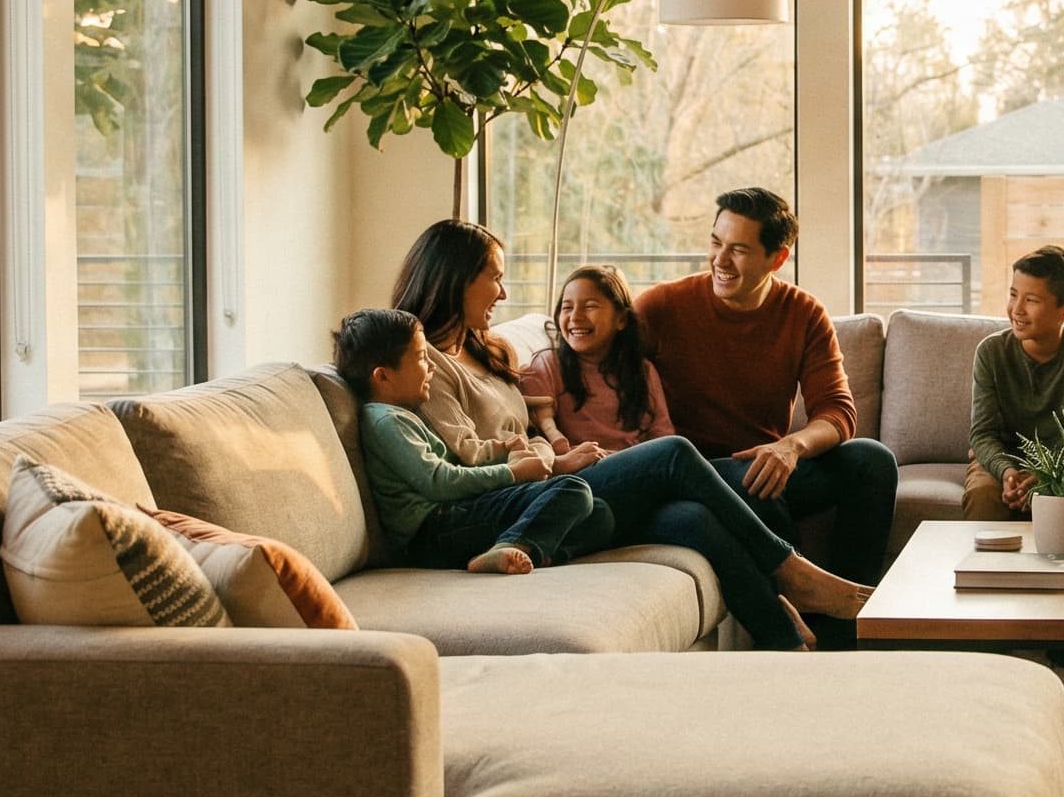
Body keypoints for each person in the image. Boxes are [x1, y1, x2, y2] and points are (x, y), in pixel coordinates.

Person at [522, 264, 872, 649]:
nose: (575, 317)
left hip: (643, 494)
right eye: (566, 307)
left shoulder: (641, 372)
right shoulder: (547, 366)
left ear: (623, 319)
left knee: (698, 518)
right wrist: (562, 450)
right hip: (588, 491)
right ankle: (788, 569)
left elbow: (660, 434)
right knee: (677, 453)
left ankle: (786, 643)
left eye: (590, 306)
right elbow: (538, 430)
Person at [637, 189, 899, 606]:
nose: (720, 260)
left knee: (872, 460)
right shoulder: (661, 306)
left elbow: (838, 412)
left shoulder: (803, 313)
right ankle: (799, 597)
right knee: (756, 482)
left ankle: (852, 613)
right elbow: (595, 365)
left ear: (777, 258)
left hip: (763, 465)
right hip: (691, 473)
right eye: (716, 243)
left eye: (738, 250)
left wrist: (791, 446)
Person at [337, 308, 600, 574]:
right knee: (570, 489)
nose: (432, 366)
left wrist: (502, 450)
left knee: (599, 515)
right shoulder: (385, 422)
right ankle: (512, 545)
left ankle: (532, 548)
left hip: (452, 520)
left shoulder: (405, 415)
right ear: (383, 376)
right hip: (431, 533)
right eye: (421, 358)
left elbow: (451, 462)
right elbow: (439, 482)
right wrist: (511, 473)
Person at [965, 245, 1064, 521]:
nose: (1017, 309)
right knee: (982, 496)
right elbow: (981, 434)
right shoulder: (990, 352)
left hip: (1060, 468)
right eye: (1013, 295)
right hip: (998, 464)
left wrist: (1044, 477)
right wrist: (1007, 473)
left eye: (1031, 300)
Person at [388, 219, 539, 465]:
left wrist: (555, 453)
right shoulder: (422, 366)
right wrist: (555, 463)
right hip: (511, 489)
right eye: (496, 278)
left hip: (545, 473)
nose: (503, 294)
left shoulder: (489, 351)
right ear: (457, 279)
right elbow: (468, 457)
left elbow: (529, 435)